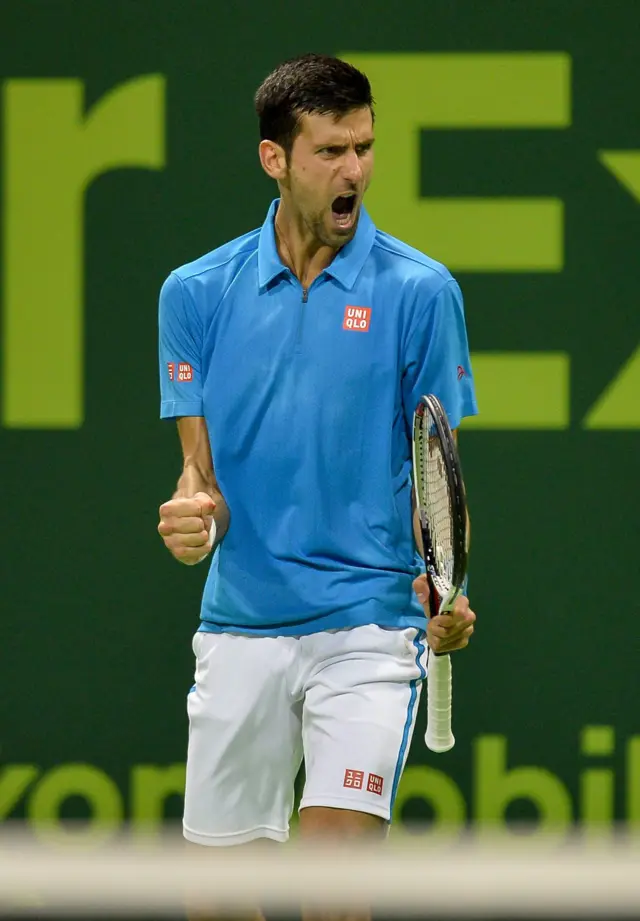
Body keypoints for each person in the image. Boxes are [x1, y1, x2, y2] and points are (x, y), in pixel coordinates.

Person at [157, 52, 477, 916]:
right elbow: (200, 473)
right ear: (277, 160)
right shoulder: (195, 292)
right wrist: (196, 513)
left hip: (368, 630)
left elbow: (436, 470)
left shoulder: (420, 292)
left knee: (331, 891)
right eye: (331, 152)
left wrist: (449, 589)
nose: (355, 171)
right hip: (240, 625)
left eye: (365, 148)